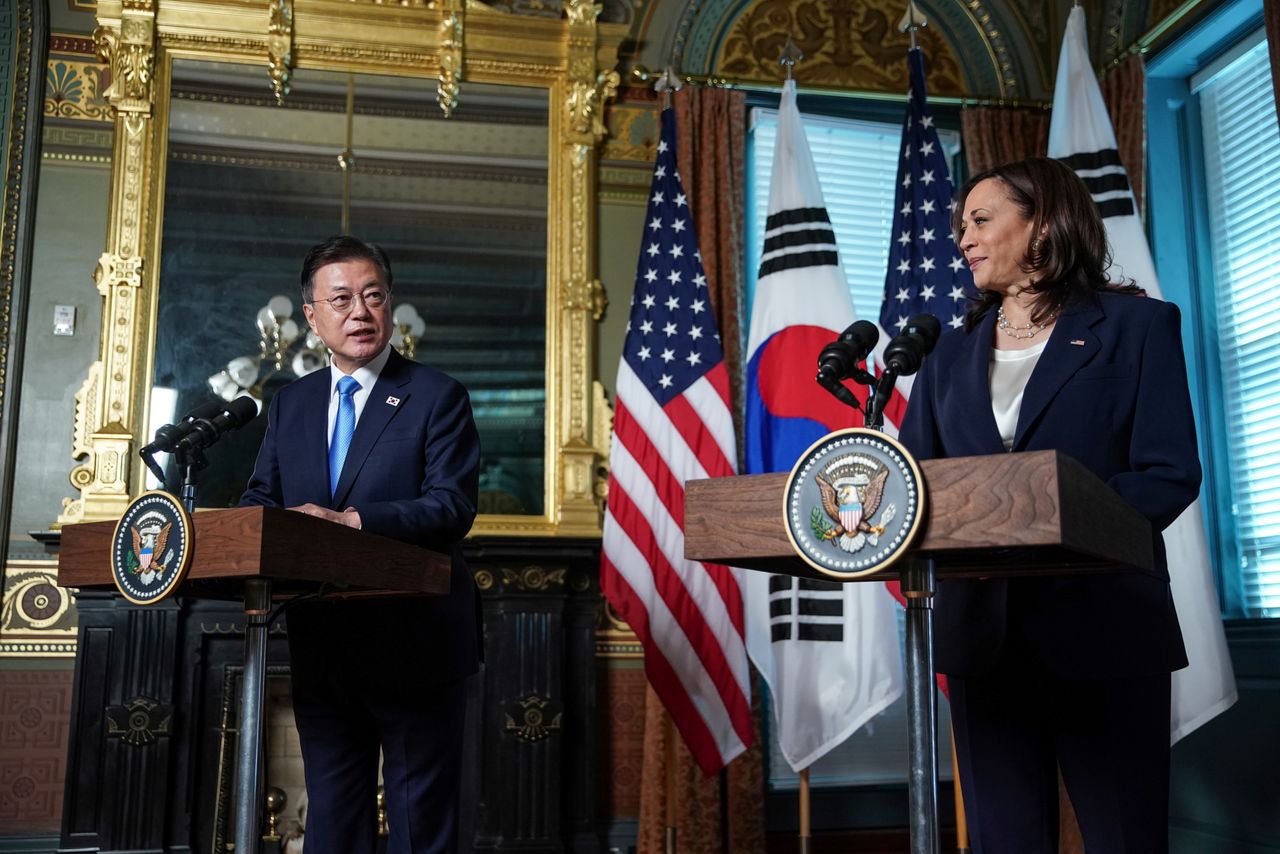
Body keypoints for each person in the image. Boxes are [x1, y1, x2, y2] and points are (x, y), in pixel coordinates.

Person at [899, 157, 1201, 853]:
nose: (964, 239)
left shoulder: (1137, 327)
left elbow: (1168, 472)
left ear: (1041, 225)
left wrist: (1059, 515)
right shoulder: (946, 355)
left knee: (1125, 838)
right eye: (960, 226)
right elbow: (918, 482)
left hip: (1107, 624)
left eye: (981, 220)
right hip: (984, 635)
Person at [241, 235, 481, 854]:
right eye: (342, 298)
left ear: (391, 305)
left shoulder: (437, 396)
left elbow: (450, 507)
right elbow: (260, 500)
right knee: (332, 822)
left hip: (417, 642)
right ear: (312, 316)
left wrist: (350, 522)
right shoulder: (289, 404)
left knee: (419, 827)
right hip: (325, 644)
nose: (360, 311)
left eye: (373, 296)